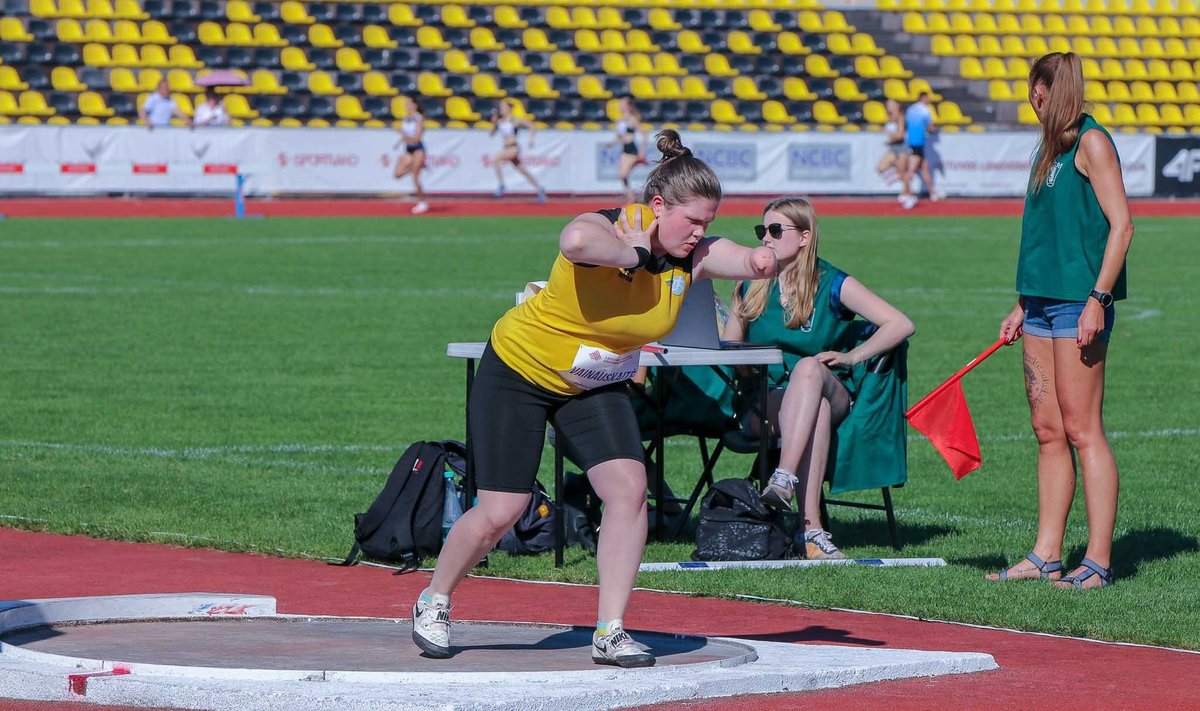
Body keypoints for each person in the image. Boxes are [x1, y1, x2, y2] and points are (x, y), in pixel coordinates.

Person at [411, 130, 778, 666]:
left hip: (591, 381)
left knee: (629, 490)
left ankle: (610, 629)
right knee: (501, 510)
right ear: (657, 206)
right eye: (692, 221)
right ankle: (434, 599)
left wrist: (772, 255)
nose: (700, 232)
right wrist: (634, 252)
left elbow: (749, 262)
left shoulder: (691, 255)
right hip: (519, 370)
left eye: (709, 223)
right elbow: (575, 242)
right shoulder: (612, 228)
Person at [988, 51, 1133, 590]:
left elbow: (1121, 227)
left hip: (1079, 305)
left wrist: (1098, 298)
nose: (1033, 97)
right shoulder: (1047, 149)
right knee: (1047, 430)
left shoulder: (1092, 143)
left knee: (1082, 429)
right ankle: (1046, 554)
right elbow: (1045, 237)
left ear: (1056, 87)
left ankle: (1097, 560)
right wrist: (1023, 303)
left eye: (1038, 88)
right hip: (1042, 305)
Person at [723, 197, 914, 560]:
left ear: (804, 237)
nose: (766, 238)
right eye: (762, 230)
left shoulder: (831, 281)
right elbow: (731, 348)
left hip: (830, 385)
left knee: (810, 369)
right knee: (817, 410)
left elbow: (901, 323)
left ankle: (783, 477)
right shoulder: (751, 281)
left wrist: (852, 356)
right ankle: (811, 531)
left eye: (776, 230)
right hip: (766, 399)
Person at [489, 100, 546, 203]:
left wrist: (531, 140)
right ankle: (539, 189)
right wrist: (494, 123)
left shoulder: (515, 120)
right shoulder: (500, 121)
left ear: (509, 108)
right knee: (523, 171)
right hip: (506, 148)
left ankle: (502, 185)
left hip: (513, 148)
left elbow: (533, 126)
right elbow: (492, 134)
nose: (501, 109)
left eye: (503, 107)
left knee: (494, 159)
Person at [898, 92, 940, 208]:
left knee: (924, 168)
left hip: (911, 142)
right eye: (927, 98)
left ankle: (932, 192)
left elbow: (906, 125)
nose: (929, 100)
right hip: (918, 143)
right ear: (923, 98)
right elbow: (930, 126)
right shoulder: (924, 110)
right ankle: (907, 195)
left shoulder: (911, 109)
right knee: (911, 171)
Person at [395, 95, 429, 215]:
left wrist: (404, 135)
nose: (406, 105)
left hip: (418, 149)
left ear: (415, 105)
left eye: (409, 103)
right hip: (409, 149)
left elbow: (417, 138)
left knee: (415, 178)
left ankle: (423, 203)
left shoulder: (418, 119)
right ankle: (418, 166)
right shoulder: (406, 118)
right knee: (398, 174)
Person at [611, 97, 648, 203]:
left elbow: (644, 134)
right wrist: (611, 144)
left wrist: (642, 150)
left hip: (632, 149)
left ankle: (632, 196)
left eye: (622, 104)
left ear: (628, 106)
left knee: (623, 174)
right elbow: (619, 136)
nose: (620, 106)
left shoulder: (632, 119)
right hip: (625, 149)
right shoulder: (621, 120)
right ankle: (631, 196)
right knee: (621, 175)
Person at [876, 99, 908, 184]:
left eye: (891, 105)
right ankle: (897, 182)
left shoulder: (901, 117)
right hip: (893, 147)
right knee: (880, 168)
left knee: (902, 173)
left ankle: (907, 194)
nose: (889, 107)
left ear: (897, 106)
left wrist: (886, 132)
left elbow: (900, 135)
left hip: (902, 148)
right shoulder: (889, 116)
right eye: (888, 105)